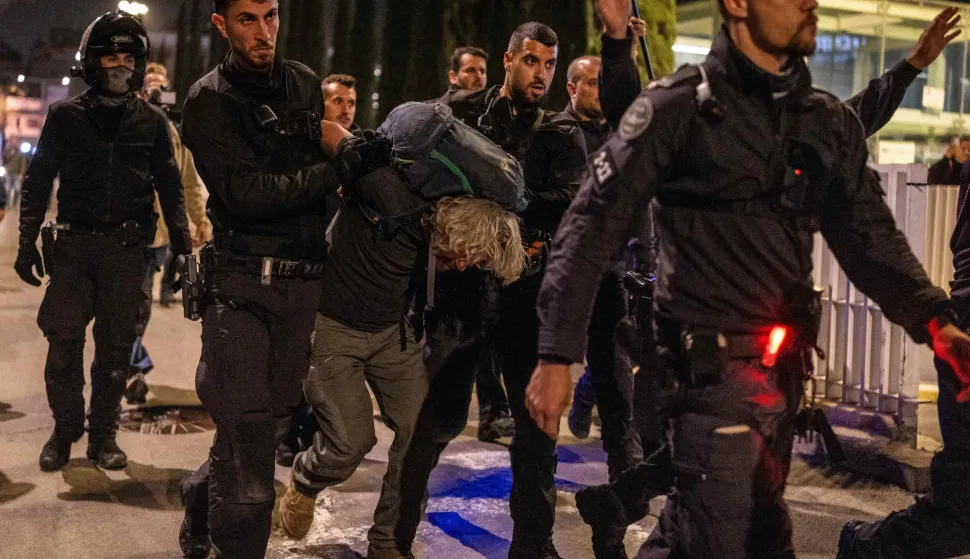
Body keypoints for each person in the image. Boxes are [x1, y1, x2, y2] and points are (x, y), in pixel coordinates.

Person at [525, 1, 970, 558]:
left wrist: (937, 323)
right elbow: (590, 228)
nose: (809, 3)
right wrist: (556, 353)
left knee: (728, 533)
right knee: (727, 534)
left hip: (780, 384)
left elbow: (871, 240)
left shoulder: (823, 119)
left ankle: (616, 505)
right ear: (737, 5)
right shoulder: (678, 106)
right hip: (706, 386)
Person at [174, 1, 390, 557]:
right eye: (247, 19)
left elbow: (309, 165)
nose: (264, 31)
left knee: (259, 431)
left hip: (302, 287)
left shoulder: (302, 82)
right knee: (249, 462)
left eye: (271, 15)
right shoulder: (208, 99)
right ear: (221, 25)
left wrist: (351, 149)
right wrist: (340, 167)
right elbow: (248, 196)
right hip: (242, 286)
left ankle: (199, 499)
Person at [277, 120, 526, 558]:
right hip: (333, 331)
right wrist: (342, 161)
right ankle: (306, 480)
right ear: (454, 233)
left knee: (419, 436)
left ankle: (389, 542)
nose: (465, 266)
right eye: (467, 255)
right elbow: (328, 129)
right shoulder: (388, 195)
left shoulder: (437, 227)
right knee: (351, 444)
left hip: (391, 335)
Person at [393, 22, 587, 559]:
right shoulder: (464, 114)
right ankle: (394, 540)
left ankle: (533, 544)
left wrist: (499, 207)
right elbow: (424, 175)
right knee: (435, 422)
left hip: (527, 298)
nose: (541, 74)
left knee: (536, 432)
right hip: (461, 291)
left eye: (549, 64)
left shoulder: (560, 133)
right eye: (531, 61)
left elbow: (569, 203)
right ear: (508, 59)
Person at [14, 10, 191, 473]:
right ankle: (66, 427)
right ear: (92, 61)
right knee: (63, 346)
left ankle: (104, 437)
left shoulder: (152, 123)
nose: (120, 64)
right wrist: (26, 242)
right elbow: (37, 182)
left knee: (115, 354)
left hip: (126, 253)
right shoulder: (64, 117)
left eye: (128, 56)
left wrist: (184, 249)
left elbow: (171, 188)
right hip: (73, 251)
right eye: (110, 55)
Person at [274, 72, 363, 468]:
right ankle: (283, 434)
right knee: (295, 357)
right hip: (303, 269)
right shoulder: (305, 151)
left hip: (342, 278)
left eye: (351, 102)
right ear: (320, 106)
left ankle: (316, 432)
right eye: (337, 101)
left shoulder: (361, 152)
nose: (346, 109)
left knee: (329, 361)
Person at [123, 62, 212, 406]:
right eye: (151, 87)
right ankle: (133, 368)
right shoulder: (128, 125)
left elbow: (189, 181)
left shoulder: (176, 134)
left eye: (163, 87)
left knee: (136, 308)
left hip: (157, 238)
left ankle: (130, 366)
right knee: (131, 307)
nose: (157, 93)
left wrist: (199, 220)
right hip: (126, 235)